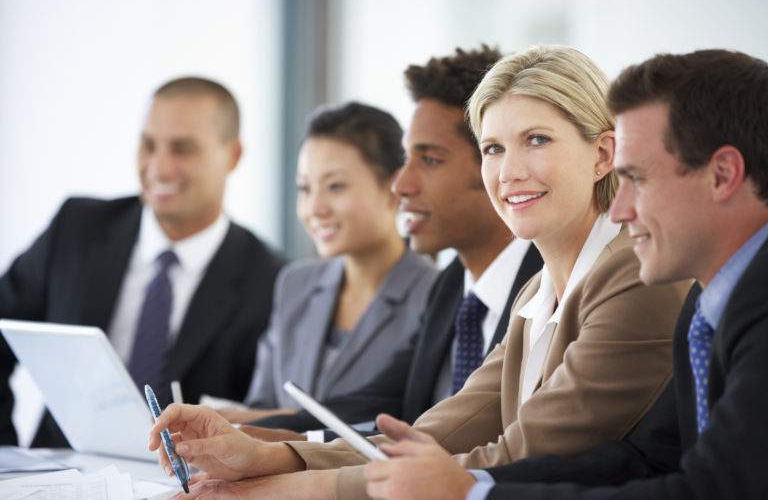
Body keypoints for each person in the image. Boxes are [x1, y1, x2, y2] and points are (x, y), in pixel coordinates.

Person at [147, 46, 690, 500]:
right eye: (494, 148)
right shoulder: (539, 289)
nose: (509, 171)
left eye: (537, 140)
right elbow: (438, 434)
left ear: (602, 155)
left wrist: (285, 490)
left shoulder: (635, 277)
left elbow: (519, 454)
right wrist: (269, 455)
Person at [362, 49, 768, 500]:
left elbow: (712, 489)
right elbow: (646, 458)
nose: (622, 206)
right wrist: (468, 485)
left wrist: (469, 492)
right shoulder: (700, 305)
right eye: (493, 148)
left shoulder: (654, 283)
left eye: (638, 177)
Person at [249, 46, 543, 436]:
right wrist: (247, 439)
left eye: (430, 160)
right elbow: (372, 408)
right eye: (407, 159)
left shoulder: (551, 288)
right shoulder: (453, 287)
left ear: (495, 162)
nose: (402, 185)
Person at [0, 77, 285, 446]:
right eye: (148, 145)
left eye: (182, 149)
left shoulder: (271, 281)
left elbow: (269, 420)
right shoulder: (76, 229)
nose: (159, 167)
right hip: (56, 476)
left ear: (232, 156)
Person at [218, 102, 438, 424]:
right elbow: (259, 405)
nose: (314, 207)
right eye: (305, 188)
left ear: (394, 188)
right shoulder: (296, 284)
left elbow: (409, 422)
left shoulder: (433, 295)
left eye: (335, 186)